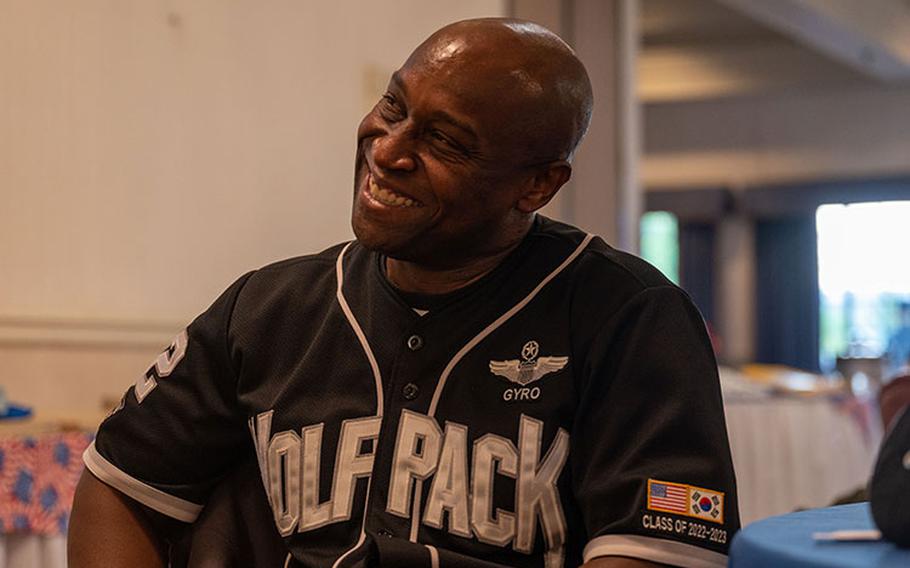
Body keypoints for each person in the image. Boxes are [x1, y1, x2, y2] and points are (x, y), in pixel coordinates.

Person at [68, 18, 739, 568]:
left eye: (445, 141)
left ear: (536, 187)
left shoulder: (629, 319)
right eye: (394, 107)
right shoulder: (267, 308)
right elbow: (119, 483)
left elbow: (662, 553)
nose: (389, 150)